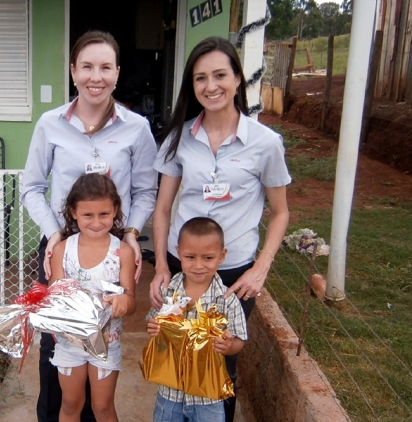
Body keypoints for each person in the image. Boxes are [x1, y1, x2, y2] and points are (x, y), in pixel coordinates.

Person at [149, 36, 290, 422]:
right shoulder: (179, 138)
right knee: (179, 356)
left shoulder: (265, 143)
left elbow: (280, 213)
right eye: (200, 78)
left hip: (233, 274)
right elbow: (162, 209)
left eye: (220, 75)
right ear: (191, 87)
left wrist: (260, 268)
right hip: (184, 268)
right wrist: (162, 265)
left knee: (219, 359)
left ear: (238, 78)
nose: (210, 86)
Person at [20, 30, 157, 422]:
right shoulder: (50, 124)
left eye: (105, 67)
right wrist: (54, 235)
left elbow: (147, 189)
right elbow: (31, 187)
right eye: (87, 67)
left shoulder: (136, 128)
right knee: (59, 357)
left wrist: (131, 232)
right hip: (62, 252)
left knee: (102, 355)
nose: (96, 77)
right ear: (73, 71)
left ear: (116, 72)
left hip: (112, 251)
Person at [49, 173, 136, 422]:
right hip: (69, 343)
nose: (96, 222)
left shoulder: (123, 252)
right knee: (70, 403)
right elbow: (55, 293)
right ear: (73, 212)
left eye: (104, 214)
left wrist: (123, 302)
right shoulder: (62, 250)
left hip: (107, 345)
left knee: (103, 407)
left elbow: (131, 302)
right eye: (88, 215)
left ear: (115, 211)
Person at [146, 217, 247, 422]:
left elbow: (240, 340)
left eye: (208, 258)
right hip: (170, 390)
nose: (198, 265)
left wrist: (229, 346)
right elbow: (152, 323)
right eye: (190, 257)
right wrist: (154, 328)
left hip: (208, 394)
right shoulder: (168, 292)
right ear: (178, 253)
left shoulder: (227, 300)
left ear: (222, 256)